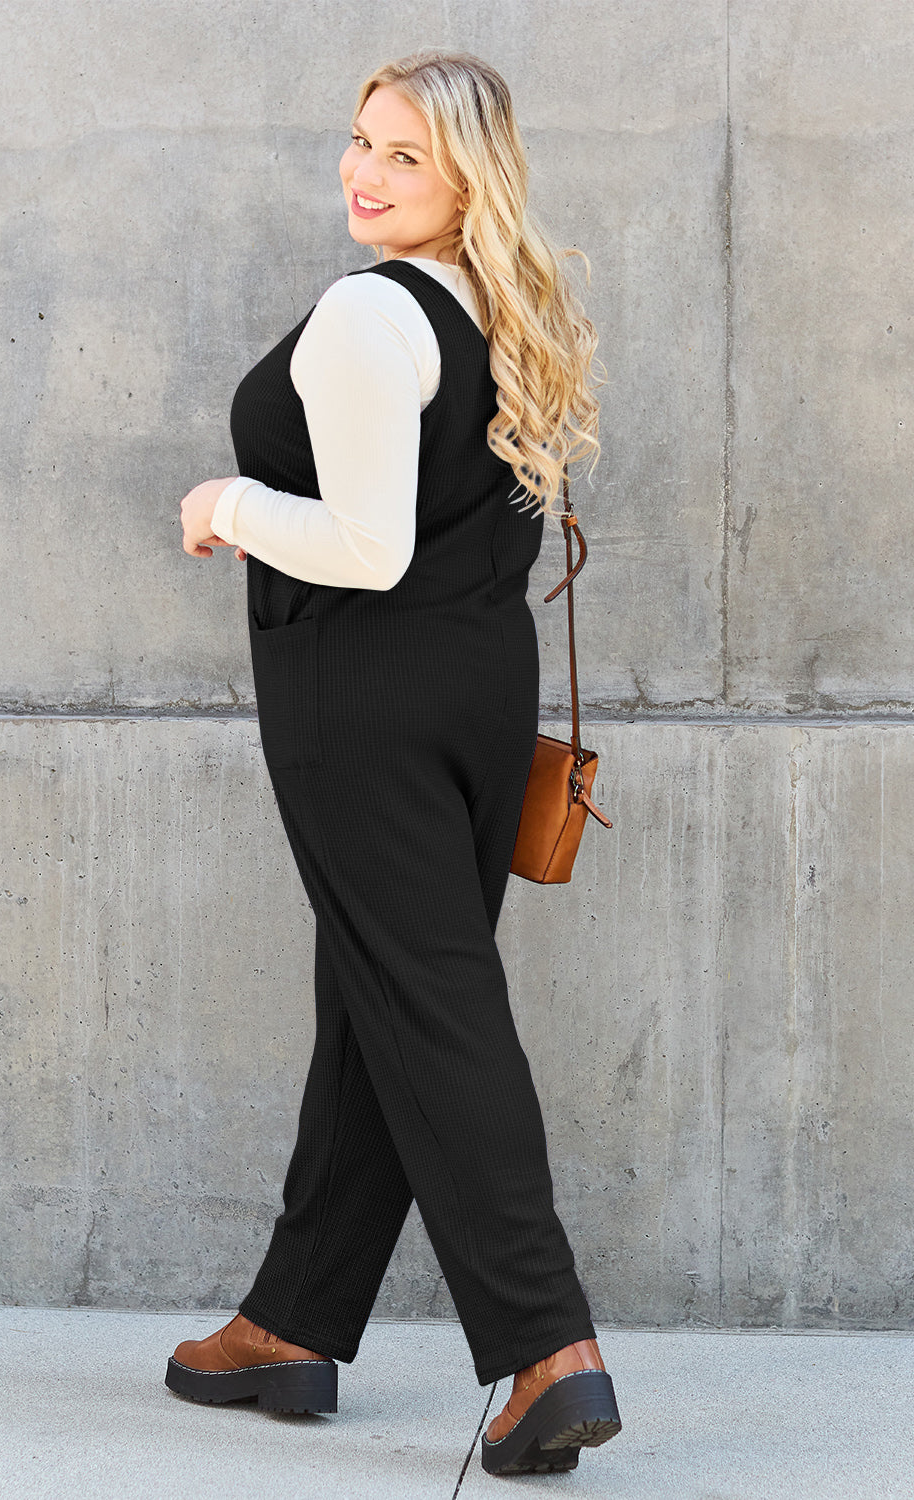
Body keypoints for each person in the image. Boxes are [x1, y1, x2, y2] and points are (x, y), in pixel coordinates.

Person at [169, 48, 620, 1477]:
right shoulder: (507, 304)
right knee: (383, 998)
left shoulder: (371, 310)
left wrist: (226, 501)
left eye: (406, 157)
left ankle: (550, 1348)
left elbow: (362, 549)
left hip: (363, 700)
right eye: (361, 142)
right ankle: (292, 1323)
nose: (365, 175)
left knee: (429, 1006)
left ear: (466, 177)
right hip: (481, 691)